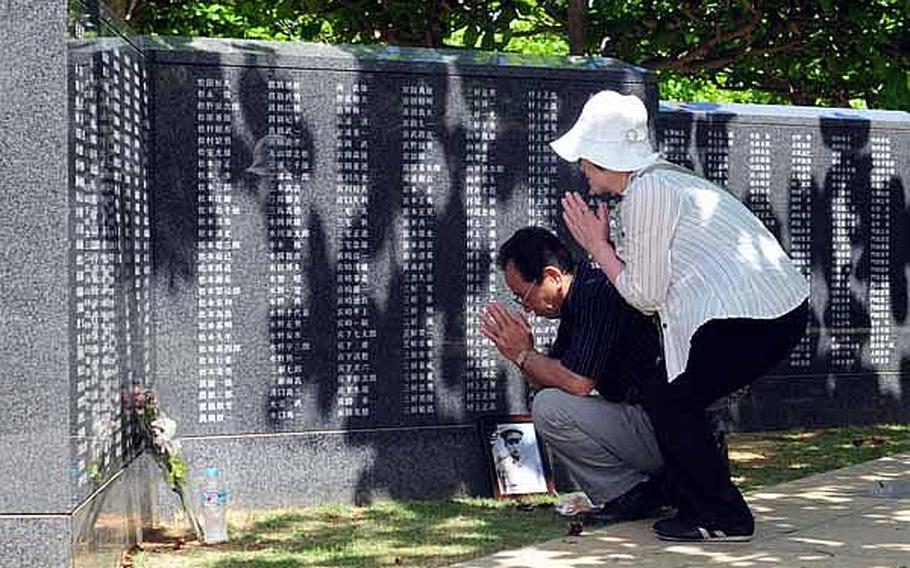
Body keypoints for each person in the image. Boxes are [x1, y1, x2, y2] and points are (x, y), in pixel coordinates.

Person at [551, 90, 809, 542]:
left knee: (672, 398)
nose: (583, 171)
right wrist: (611, 245)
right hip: (767, 311)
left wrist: (597, 247)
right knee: (665, 392)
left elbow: (643, 294)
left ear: (604, 156)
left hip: (756, 316)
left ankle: (723, 517)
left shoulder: (650, 190)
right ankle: (696, 504)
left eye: (586, 161)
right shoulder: (658, 184)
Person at [480, 226, 666, 522]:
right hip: (651, 426)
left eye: (524, 296)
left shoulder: (595, 294)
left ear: (553, 277)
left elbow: (577, 383)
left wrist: (524, 355)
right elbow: (553, 379)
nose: (526, 309)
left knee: (549, 408)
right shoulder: (576, 304)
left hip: (664, 427)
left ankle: (630, 492)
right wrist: (523, 356)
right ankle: (639, 491)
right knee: (550, 402)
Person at [492, 427, 548, 495]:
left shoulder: (534, 463)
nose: (515, 446)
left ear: (522, 443)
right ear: (506, 445)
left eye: (517, 442)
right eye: (511, 443)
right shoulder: (503, 464)